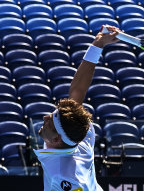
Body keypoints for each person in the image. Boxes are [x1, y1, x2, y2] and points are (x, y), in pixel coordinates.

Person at [35, 25, 120, 191]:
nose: (45, 117)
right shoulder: (79, 133)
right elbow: (77, 90)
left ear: (56, 139)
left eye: (50, 122)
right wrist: (98, 44)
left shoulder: (66, 178)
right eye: (52, 115)